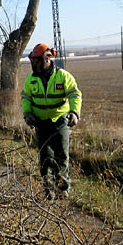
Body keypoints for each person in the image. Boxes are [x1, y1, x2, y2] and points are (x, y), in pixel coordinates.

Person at [21, 43, 82, 198]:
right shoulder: (31, 79)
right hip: (40, 122)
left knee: (62, 155)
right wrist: (27, 114)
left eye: (36, 60)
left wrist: (74, 113)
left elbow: (75, 95)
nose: (34, 64)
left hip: (60, 121)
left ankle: (62, 189)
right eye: (33, 60)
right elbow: (26, 97)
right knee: (45, 156)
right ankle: (48, 189)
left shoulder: (63, 76)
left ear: (47, 59)